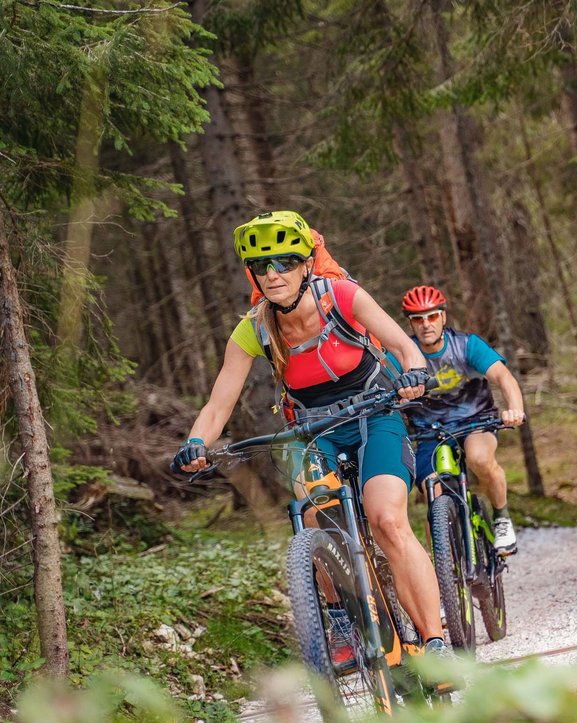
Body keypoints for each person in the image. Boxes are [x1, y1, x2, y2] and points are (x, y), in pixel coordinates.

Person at [172, 211, 449, 662]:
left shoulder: (340, 296)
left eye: (283, 261)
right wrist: (196, 443)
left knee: (388, 520)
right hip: (313, 429)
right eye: (262, 266)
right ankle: (341, 620)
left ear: (306, 265)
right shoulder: (254, 328)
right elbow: (218, 404)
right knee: (314, 520)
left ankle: (435, 641)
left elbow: (403, 345)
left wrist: (414, 372)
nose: (273, 273)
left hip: (373, 413)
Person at [401, 285, 525, 555]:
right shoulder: (403, 354)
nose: (425, 325)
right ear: (410, 323)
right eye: (417, 319)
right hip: (428, 431)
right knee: (430, 488)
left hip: (475, 421)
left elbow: (504, 377)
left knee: (479, 458)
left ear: (443, 317)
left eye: (432, 317)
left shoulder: (466, 345)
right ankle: (447, 557)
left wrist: (514, 408)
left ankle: (502, 518)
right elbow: (386, 387)